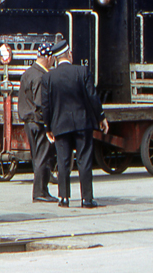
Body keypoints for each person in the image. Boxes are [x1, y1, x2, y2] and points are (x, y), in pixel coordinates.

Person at [41, 40, 108, 209]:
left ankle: (63, 197)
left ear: (55, 58)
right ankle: (87, 199)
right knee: (84, 159)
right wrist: (101, 117)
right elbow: (93, 97)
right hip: (82, 123)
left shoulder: (48, 77)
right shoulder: (82, 71)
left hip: (60, 125)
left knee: (63, 161)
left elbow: (46, 106)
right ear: (69, 54)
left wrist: (47, 127)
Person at [17, 42, 57, 202]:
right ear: (47, 58)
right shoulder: (41, 77)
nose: (54, 61)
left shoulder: (28, 73)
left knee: (37, 156)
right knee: (42, 156)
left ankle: (42, 190)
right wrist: (48, 125)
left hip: (28, 121)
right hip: (38, 122)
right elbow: (41, 104)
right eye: (53, 58)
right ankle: (40, 192)